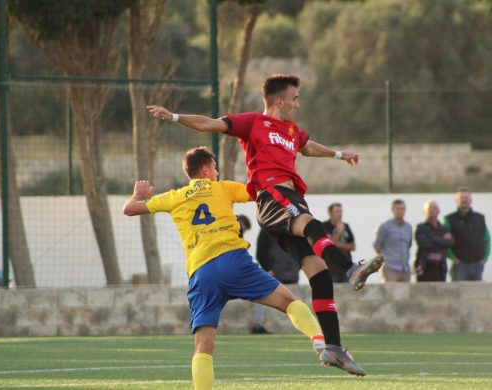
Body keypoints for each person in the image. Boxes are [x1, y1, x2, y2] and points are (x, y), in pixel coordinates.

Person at [147, 74, 383, 374]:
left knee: (319, 275)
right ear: (279, 100)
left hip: (288, 199)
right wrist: (174, 117)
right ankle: (351, 268)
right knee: (312, 225)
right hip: (273, 195)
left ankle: (333, 349)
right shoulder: (253, 123)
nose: (298, 104)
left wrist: (339, 154)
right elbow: (210, 124)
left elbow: (308, 147)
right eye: (294, 98)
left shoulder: (292, 131)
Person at [122, 147, 365, 389]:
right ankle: (320, 341)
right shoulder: (222, 187)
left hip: (201, 272)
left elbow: (130, 209)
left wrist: (137, 194)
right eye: (214, 168)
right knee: (289, 302)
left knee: (203, 346)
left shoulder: (174, 196)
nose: (216, 172)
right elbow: (260, 192)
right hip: (233, 261)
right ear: (206, 170)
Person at [252, 228, 301, 334]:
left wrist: (298, 267)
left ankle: (296, 327)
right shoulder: (266, 230)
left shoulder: (293, 228)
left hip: (291, 275)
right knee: (264, 298)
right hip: (273, 275)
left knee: (292, 301)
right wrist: (268, 268)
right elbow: (260, 252)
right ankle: (258, 325)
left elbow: (300, 250)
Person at [443, 187, 490, 281]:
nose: (465, 200)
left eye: (467, 197)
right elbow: (444, 241)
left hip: (478, 265)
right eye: (462, 198)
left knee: (476, 294)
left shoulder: (480, 218)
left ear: (471, 200)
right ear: (456, 200)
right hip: (460, 266)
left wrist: (485, 258)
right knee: (458, 294)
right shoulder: (449, 219)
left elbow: (487, 239)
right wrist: (453, 258)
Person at [373, 199, 413, 283]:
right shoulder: (385, 226)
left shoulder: (408, 227)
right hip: (390, 268)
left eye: (402, 209)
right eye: (397, 209)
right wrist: (385, 260)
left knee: (405, 295)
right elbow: (377, 246)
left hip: (405, 268)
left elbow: (408, 245)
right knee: (390, 295)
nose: (400, 211)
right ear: (393, 210)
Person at [414, 201, 454, 282]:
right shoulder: (420, 227)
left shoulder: (444, 228)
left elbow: (449, 243)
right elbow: (423, 244)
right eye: (429, 208)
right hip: (424, 268)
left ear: (438, 211)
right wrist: (441, 240)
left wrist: (432, 238)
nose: (432, 210)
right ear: (424, 212)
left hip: (440, 268)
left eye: (434, 208)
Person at [323, 203, 355, 283]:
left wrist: (338, 244)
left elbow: (353, 246)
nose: (340, 214)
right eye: (337, 212)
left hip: (346, 268)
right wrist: (339, 230)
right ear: (330, 213)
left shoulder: (346, 226)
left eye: (341, 212)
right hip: (331, 269)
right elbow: (329, 246)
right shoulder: (324, 226)